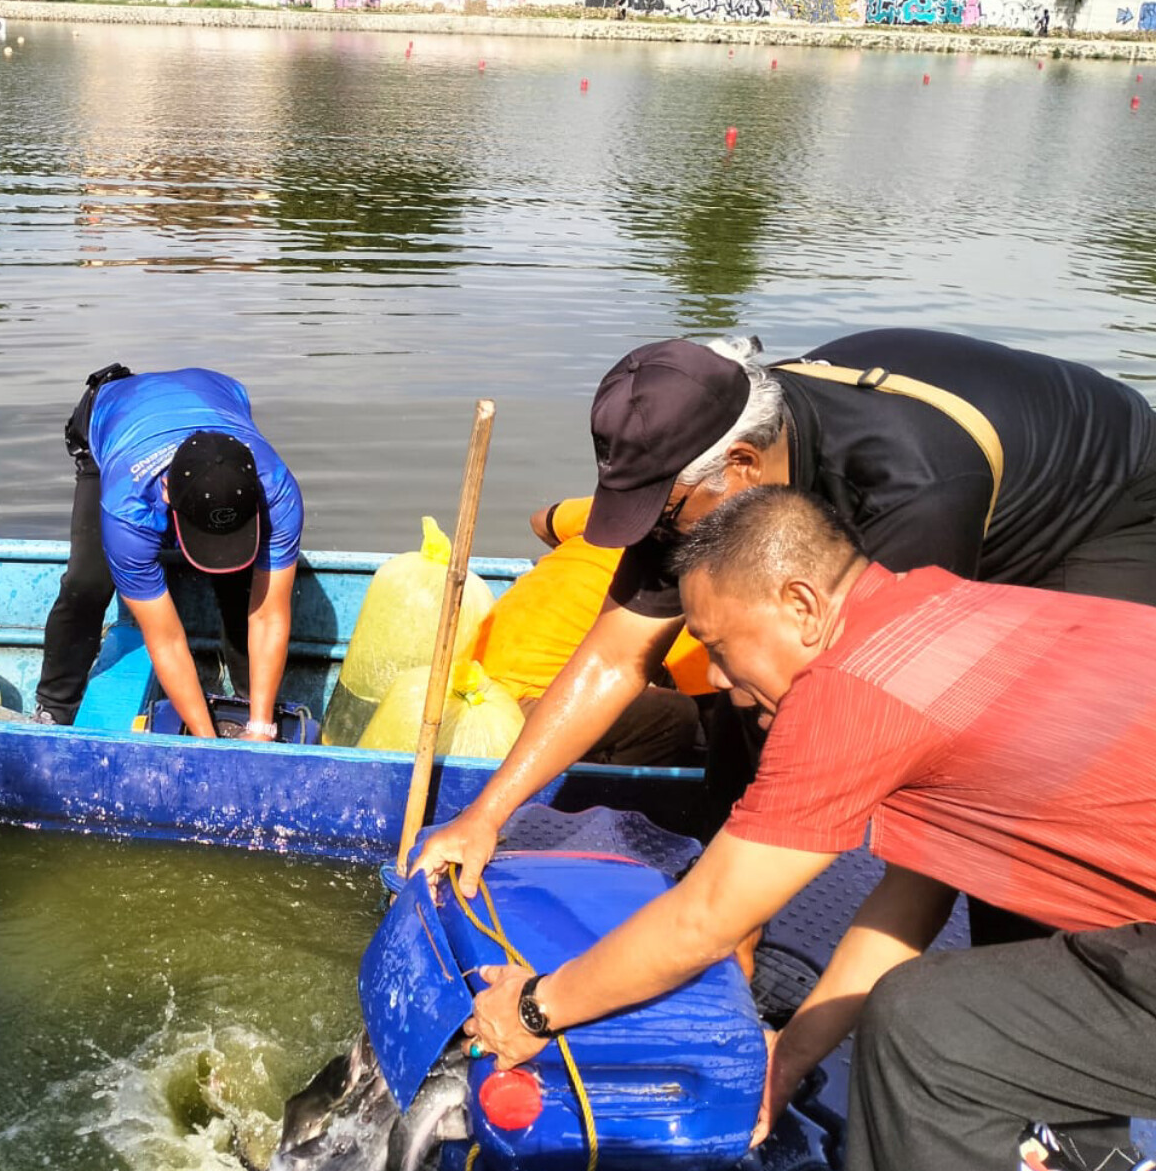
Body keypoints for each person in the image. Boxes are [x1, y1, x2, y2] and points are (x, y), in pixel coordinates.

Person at [446, 487, 1156, 1171]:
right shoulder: (942, 606)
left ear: (802, 606)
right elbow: (919, 889)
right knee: (929, 1016)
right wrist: (790, 1059)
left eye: (718, 646)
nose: (714, 678)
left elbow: (707, 920)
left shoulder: (849, 689)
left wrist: (532, 1011)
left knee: (931, 1036)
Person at [415, 328, 1156, 888]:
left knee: (1015, 770)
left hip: (1104, 507)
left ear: (741, 468)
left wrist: (730, 918)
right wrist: (485, 816)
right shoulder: (698, 472)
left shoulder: (907, 491)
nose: (660, 528)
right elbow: (615, 654)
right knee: (748, 684)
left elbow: (861, 709)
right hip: (960, 474)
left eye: (665, 509)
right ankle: (725, 887)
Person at [34, 365, 304, 739]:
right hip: (115, 415)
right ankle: (54, 707)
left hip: (213, 396)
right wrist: (205, 742)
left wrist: (261, 726)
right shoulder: (126, 506)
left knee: (239, 585)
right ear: (165, 493)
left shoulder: (277, 490)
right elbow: (166, 639)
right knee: (89, 581)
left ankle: (249, 704)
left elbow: (269, 615)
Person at [471, 494, 713, 772]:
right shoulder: (684, 578)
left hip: (475, 685)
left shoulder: (616, 512)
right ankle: (603, 791)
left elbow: (541, 521)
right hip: (529, 709)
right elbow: (710, 706)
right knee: (675, 714)